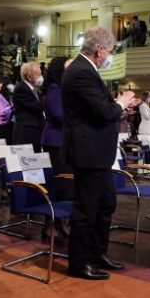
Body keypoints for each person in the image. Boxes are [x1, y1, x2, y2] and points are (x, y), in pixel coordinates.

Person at [61, 27, 136, 280]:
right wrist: (121, 103)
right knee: (86, 209)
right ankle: (79, 263)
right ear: (99, 50)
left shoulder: (87, 70)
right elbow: (103, 111)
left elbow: (101, 110)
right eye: (110, 51)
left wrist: (122, 109)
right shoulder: (81, 71)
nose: (110, 57)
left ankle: (97, 254)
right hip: (88, 151)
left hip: (97, 151)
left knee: (106, 203)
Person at [39, 57, 71, 240]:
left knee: (67, 186)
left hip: (64, 141)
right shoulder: (54, 88)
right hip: (55, 142)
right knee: (59, 185)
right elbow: (59, 115)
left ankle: (61, 223)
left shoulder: (64, 89)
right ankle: (51, 225)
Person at [11, 61, 45, 152]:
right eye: (38, 75)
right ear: (29, 77)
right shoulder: (21, 88)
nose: (41, 77)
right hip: (25, 135)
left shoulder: (35, 90)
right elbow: (36, 106)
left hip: (35, 134)